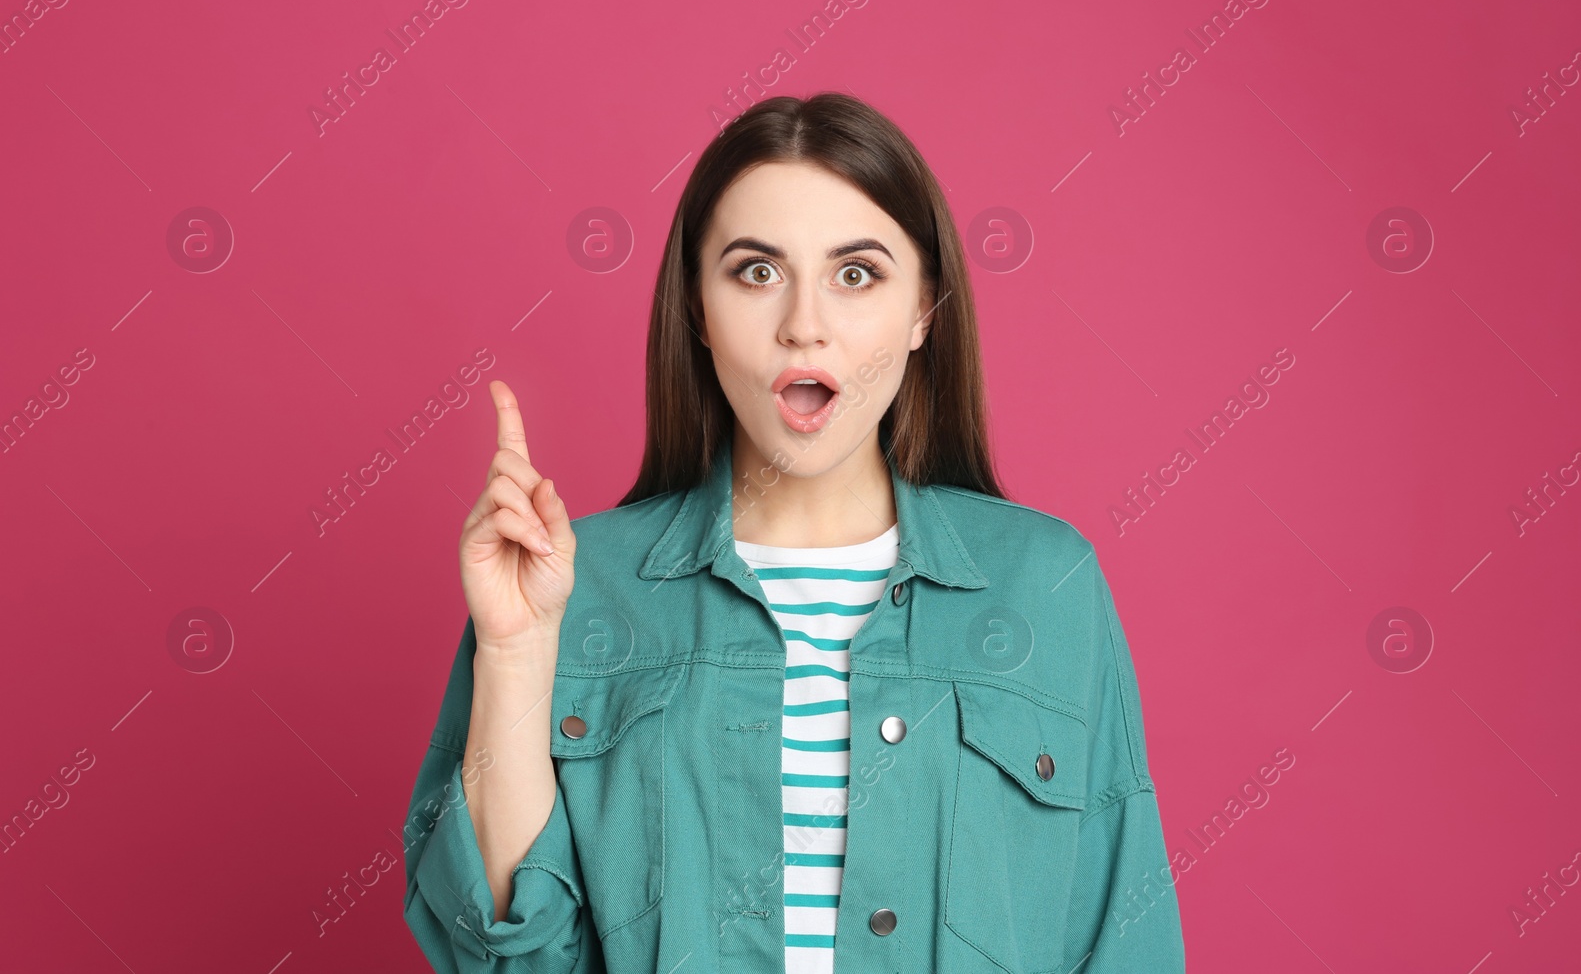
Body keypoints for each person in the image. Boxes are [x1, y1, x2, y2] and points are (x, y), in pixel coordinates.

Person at [402, 92, 1186, 973]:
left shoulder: (1048, 584)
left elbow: (1126, 938)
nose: (802, 324)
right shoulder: (574, 585)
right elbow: (507, 955)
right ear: (696, 307)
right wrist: (512, 653)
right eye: (756, 271)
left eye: (856, 273)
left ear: (924, 308)